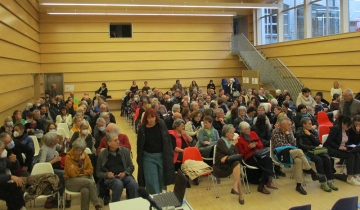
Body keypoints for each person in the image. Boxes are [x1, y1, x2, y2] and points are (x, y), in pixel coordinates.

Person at [271, 118, 325, 195]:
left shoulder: (289, 131)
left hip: (292, 152)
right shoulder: (275, 131)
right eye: (288, 125)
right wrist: (288, 144)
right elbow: (279, 145)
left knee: (298, 161)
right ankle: (312, 172)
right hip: (281, 153)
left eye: (290, 124)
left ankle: (299, 185)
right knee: (299, 151)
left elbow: (293, 143)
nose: (290, 126)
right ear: (282, 125)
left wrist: (288, 134)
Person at [137, 108, 175, 194]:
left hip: (162, 156)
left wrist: (170, 153)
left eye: (153, 117)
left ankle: (160, 195)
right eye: (149, 118)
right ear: (145, 118)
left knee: (162, 179)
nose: (151, 120)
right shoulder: (142, 128)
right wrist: (139, 159)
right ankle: (155, 200)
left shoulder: (161, 124)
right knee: (151, 180)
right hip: (148, 157)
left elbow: (167, 139)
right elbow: (139, 145)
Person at [296, 117, 338, 192]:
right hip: (306, 152)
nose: (311, 125)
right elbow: (301, 145)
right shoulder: (299, 133)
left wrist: (310, 135)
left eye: (311, 123)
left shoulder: (313, 131)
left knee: (327, 158)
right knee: (318, 160)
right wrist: (314, 147)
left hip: (316, 150)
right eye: (309, 124)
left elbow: (318, 142)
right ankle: (323, 182)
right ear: (304, 125)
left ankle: (330, 181)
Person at [97, 133, 138, 202]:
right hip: (110, 178)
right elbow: (98, 173)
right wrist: (107, 175)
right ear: (109, 143)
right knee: (118, 184)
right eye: (115, 140)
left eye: (118, 140)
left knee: (133, 184)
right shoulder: (102, 155)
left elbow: (131, 167)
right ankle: (115, 204)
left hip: (124, 176)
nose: (118, 142)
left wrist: (125, 173)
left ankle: (134, 204)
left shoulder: (125, 151)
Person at [237, 122, 276, 194]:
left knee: (269, 160)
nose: (249, 130)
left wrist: (255, 144)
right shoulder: (239, 139)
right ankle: (267, 182)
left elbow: (261, 145)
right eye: (246, 129)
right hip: (249, 158)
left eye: (249, 128)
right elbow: (241, 154)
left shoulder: (253, 133)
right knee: (266, 163)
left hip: (259, 154)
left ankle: (264, 184)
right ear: (241, 130)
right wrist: (248, 147)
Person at [64, 139, 102, 210]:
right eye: (76, 150)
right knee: (90, 182)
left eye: (80, 150)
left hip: (84, 180)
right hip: (70, 181)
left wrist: (80, 173)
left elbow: (91, 171)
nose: (78, 152)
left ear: (83, 150)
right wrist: (80, 164)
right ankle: (97, 205)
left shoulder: (86, 156)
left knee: (85, 191)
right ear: (73, 149)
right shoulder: (68, 157)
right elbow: (72, 174)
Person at [323, 115, 360, 185]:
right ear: (343, 123)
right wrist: (338, 147)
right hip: (331, 148)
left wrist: (351, 146)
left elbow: (347, 141)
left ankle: (356, 174)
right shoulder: (336, 129)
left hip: (342, 147)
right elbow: (328, 141)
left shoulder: (346, 130)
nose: (349, 127)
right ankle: (350, 177)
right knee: (350, 156)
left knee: (356, 153)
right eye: (347, 125)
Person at [213, 125, 244, 204]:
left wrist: (227, 157)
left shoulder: (233, 141)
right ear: (227, 134)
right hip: (220, 166)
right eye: (232, 133)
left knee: (237, 163)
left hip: (229, 163)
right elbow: (228, 151)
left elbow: (236, 154)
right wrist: (233, 144)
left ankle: (235, 188)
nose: (234, 134)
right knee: (237, 168)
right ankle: (240, 194)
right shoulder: (221, 141)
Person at [0, 139, 27, 210]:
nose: (3, 151)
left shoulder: (3, 159)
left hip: (2, 183)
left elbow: (14, 168)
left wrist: (14, 161)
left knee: (17, 186)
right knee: (12, 190)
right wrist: (10, 177)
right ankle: (21, 208)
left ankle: (19, 207)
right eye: (1, 149)